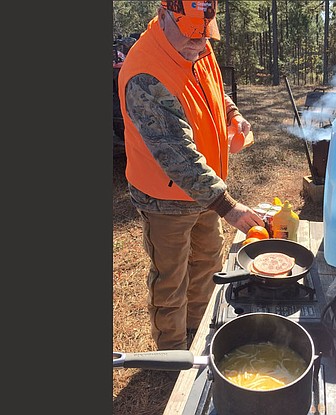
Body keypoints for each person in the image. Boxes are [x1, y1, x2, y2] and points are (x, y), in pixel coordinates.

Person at [118, 0, 264, 351]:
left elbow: (212, 86)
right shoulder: (144, 74)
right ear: (164, 15)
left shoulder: (195, 44)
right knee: (171, 279)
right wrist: (228, 206)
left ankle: (199, 332)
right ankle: (171, 352)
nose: (199, 44)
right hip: (164, 199)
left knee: (207, 263)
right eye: (191, 35)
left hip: (204, 191)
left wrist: (232, 112)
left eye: (205, 36)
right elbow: (175, 154)